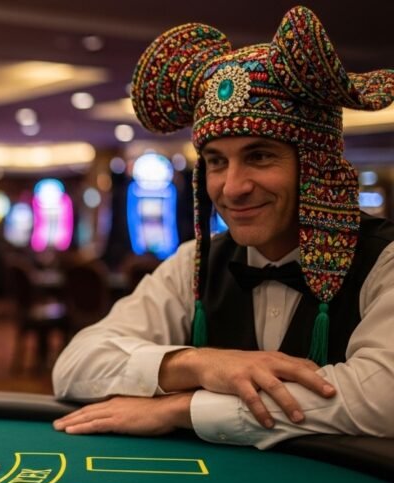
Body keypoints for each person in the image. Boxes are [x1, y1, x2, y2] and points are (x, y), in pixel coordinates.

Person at [52, 6, 394, 448]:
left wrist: (182, 408)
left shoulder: (384, 259)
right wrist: (199, 365)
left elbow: (380, 396)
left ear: (316, 163)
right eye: (216, 162)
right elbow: (74, 365)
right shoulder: (195, 262)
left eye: (259, 156)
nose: (233, 187)